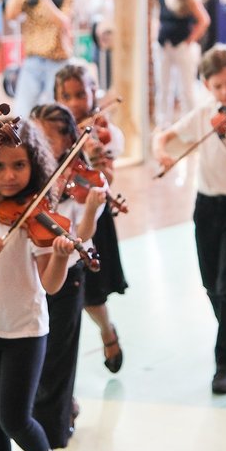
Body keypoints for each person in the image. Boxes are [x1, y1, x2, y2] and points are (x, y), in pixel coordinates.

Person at [153, 45, 226, 395]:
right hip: (206, 205)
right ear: (207, 85)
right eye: (218, 87)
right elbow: (165, 136)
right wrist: (162, 153)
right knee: (209, 283)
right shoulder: (204, 115)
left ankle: (225, 363)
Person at [0, 121, 74, 451]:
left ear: (34, 165)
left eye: (19, 165)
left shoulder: (35, 218)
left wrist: (59, 255)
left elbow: (51, 285)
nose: (9, 175)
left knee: (14, 417)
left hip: (24, 330)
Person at [28, 103, 106, 451]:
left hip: (68, 269)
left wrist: (91, 206)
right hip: (31, 273)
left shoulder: (83, 181)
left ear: (69, 140)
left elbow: (85, 233)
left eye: (49, 139)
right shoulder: (28, 173)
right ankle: (48, 422)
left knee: (59, 354)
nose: (41, 147)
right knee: (36, 357)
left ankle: (53, 436)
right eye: (37, 138)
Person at [53, 62, 128, 374]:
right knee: (59, 297)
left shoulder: (103, 132)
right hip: (57, 216)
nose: (73, 103)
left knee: (91, 294)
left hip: (91, 215)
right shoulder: (50, 128)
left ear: (93, 93)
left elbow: (106, 174)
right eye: (66, 96)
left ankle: (107, 330)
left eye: (80, 95)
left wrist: (94, 152)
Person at [5, 0, 74, 116]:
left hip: (58, 60)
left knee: (54, 113)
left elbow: (63, 22)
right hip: (33, 60)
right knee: (22, 111)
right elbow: (11, 14)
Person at [156, 0, 210, 127]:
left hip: (182, 46)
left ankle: (190, 123)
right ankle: (163, 121)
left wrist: (190, 40)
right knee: (164, 85)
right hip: (164, 46)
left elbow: (204, 20)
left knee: (186, 87)